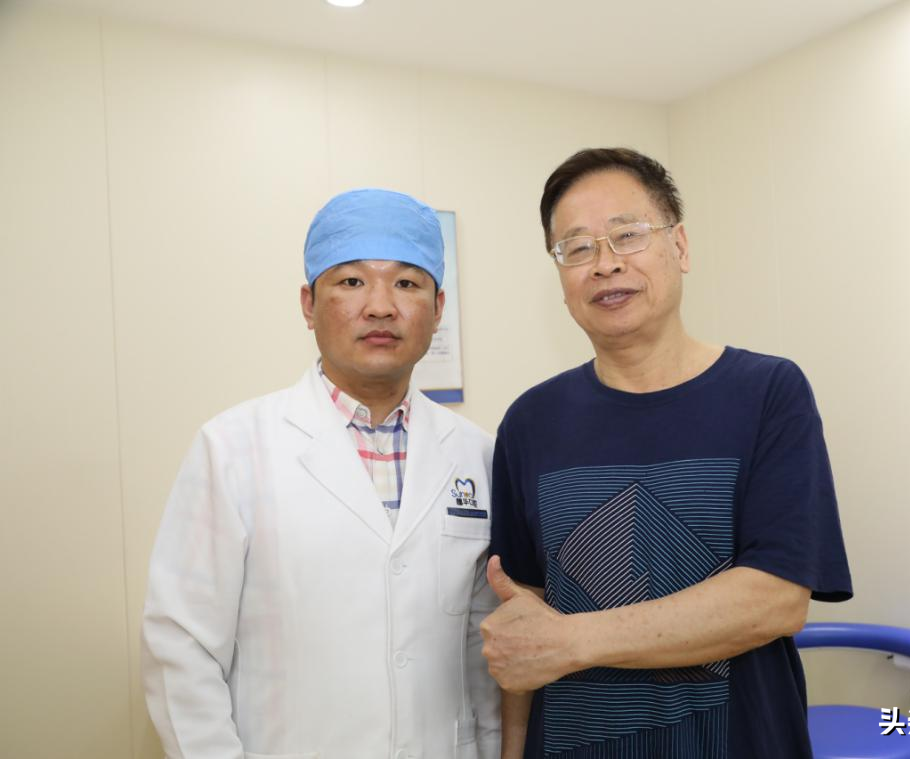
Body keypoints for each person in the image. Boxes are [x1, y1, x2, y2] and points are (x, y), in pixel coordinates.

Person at [481, 148, 852, 758]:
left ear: (679, 246)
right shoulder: (530, 422)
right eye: (577, 248)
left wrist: (572, 642)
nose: (605, 263)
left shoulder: (766, 393)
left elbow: (774, 601)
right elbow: (524, 623)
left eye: (627, 235)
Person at [141, 189, 499, 759]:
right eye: (352, 282)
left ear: (438, 308)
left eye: (407, 283)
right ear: (309, 305)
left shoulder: (477, 455)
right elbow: (181, 649)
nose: (380, 306)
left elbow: (484, 651)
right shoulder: (232, 448)